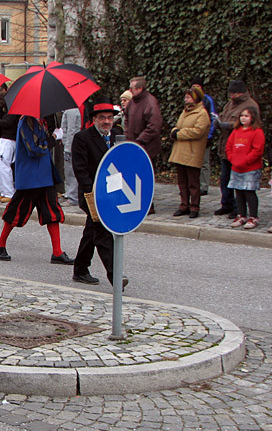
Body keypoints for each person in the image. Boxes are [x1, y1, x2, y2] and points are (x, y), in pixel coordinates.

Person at [0, 115, 74, 266]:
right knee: (16, 212)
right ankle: (0, 244)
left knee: (52, 213)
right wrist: (54, 137)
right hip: (30, 177)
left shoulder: (39, 121)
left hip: (44, 175)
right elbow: (35, 149)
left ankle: (57, 252)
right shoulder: (25, 122)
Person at [71, 99, 128, 288]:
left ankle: (80, 269)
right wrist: (91, 195)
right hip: (91, 195)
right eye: (102, 118)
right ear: (94, 119)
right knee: (102, 232)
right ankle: (116, 276)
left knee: (91, 231)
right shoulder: (82, 138)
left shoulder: (117, 135)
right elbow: (80, 170)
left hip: (111, 192)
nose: (106, 122)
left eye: (110, 118)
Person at [214, 80, 260, 218]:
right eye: (231, 93)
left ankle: (238, 208)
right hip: (226, 146)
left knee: (239, 183)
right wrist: (218, 122)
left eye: (234, 93)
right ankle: (226, 204)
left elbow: (251, 125)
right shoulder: (230, 104)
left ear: (241, 92)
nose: (232, 95)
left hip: (241, 150)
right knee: (225, 179)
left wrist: (230, 125)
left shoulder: (250, 105)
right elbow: (223, 116)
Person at [168, 86, 210, 218]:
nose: (185, 99)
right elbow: (178, 126)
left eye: (188, 96)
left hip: (192, 152)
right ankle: (184, 205)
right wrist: (174, 131)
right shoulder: (184, 112)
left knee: (193, 182)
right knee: (182, 182)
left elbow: (198, 131)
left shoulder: (202, 113)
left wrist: (179, 133)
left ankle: (194, 207)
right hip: (180, 152)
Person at [125, 76, 162, 214]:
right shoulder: (132, 103)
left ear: (140, 88)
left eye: (132, 88)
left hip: (146, 147)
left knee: (145, 177)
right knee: (135, 176)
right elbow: (127, 119)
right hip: (134, 145)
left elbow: (154, 126)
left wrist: (139, 141)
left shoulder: (150, 103)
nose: (130, 90)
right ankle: (137, 202)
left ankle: (148, 205)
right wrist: (128, 136)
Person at [226, 105, 265, 230]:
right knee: (238, 191)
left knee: (249, 192)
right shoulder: (236, 131)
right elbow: (229, 146)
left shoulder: (257, 132)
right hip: (236, 167)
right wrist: (232, 159)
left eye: (246, 116)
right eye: (242, 116)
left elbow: (257, 150)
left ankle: (253, 216)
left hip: (250, 168)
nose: (243, 118)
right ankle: (241, 215)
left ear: (252, 117)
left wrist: (244, 161)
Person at [0, 91, 19, 202]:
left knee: (4, 165)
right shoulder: (7, 111)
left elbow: (8, 122)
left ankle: (9, 192)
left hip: (9, 140)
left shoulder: (13, 111)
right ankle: (3, 191)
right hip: (4, 139)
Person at [190, 77, 218, 195]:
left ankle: (204, 186)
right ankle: (192, 185)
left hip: (205, 137)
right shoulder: (189, 101)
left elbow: (213, 118)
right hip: (192, 137)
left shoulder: (208, 100)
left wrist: (209, 135)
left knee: (204, 162)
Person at [61, 107, 81, 206]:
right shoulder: (69, 110)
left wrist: (68, 147)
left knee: (70, 171)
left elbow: (71, 130)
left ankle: (72, 196)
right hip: (69, 145)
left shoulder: (71, 110)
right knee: (68, 171)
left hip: (70, 146)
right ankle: (70, 193)